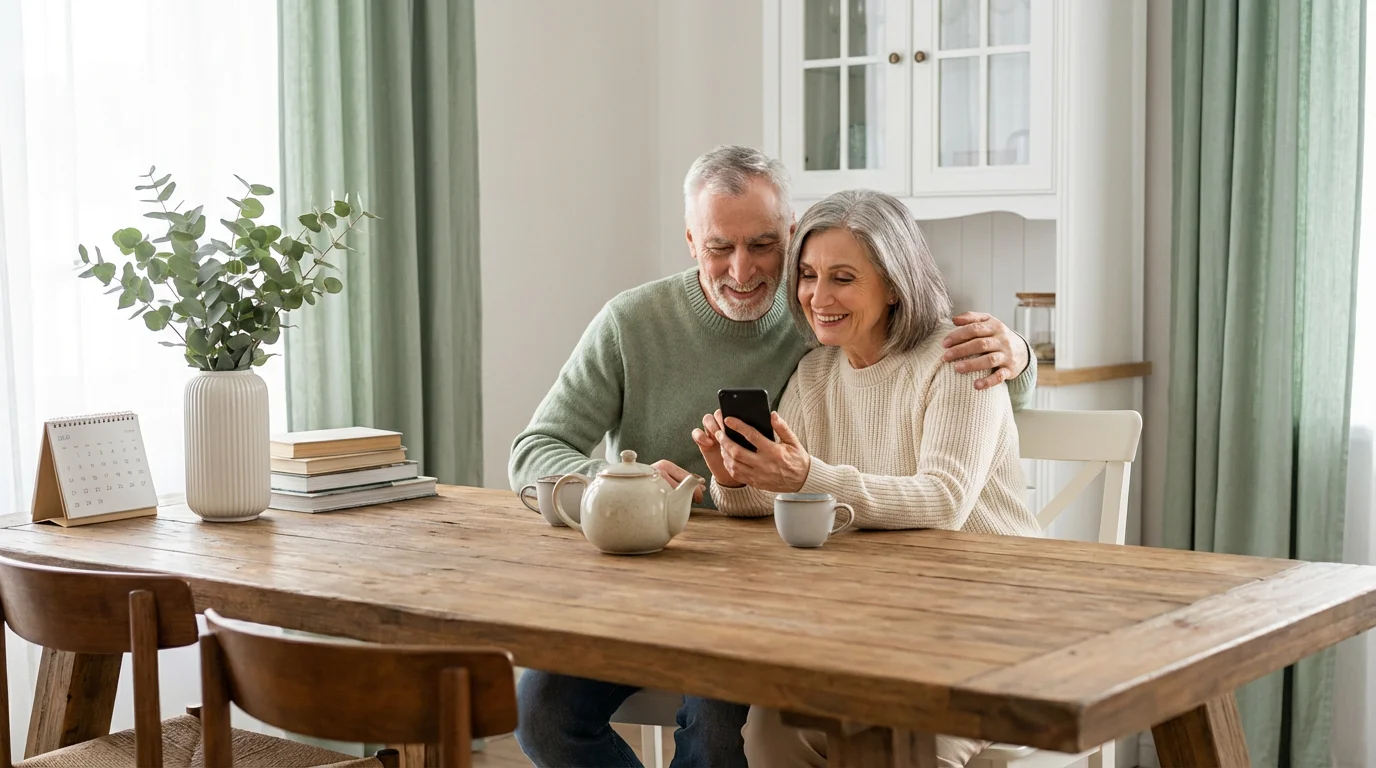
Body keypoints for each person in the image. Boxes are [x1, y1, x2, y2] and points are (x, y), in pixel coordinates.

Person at [508, 146, 1037, 768]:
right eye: (718, 248)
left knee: (722, 733)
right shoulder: (648, 325)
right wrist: (637, 482)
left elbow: (967, 406)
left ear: (788, 235)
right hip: (660, 589)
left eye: (763, 246)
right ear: (690, 241)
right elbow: (535, 450)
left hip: (804, 601)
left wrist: (1018, 355)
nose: (743, 270)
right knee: (539, 713)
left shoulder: (817, 324)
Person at [692, 188, 1041, 768]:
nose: (817, 297)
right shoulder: (815, 373)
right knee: (773, 732)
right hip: (872, 626)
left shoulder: (956, 359)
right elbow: (787, 495)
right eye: (807, 275)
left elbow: (944, 501)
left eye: (843, 278)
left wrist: (807, 475)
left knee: (906, 744)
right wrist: (736, 478)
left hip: (987, 624)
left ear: (895, 284)